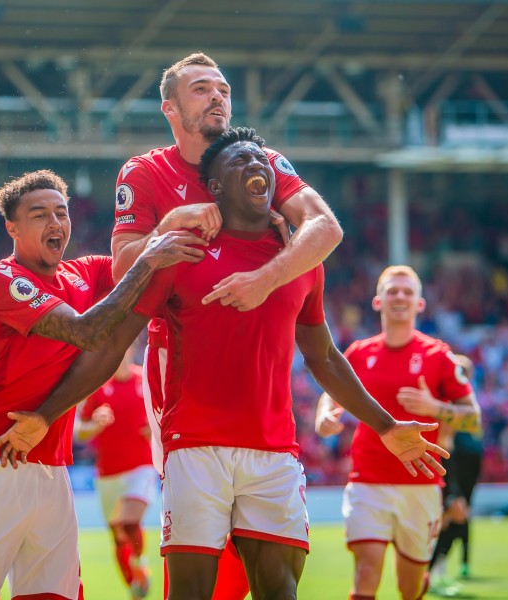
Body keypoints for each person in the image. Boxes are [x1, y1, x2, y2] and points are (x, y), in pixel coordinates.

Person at [0, 129, 449, 600]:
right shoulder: (180, 253)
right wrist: (48, 415)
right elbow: (111, 348)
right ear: (213, 188)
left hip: (275, 453)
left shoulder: (302, 261)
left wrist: (387, 426)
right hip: (195, 449)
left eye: (261, 158)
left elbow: (324, 357)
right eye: (241, 160)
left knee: (280, 591)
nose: (257, 164)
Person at [110, 51, 343, 599]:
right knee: (197, 562)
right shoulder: (146, 173)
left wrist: (268, 276)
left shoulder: (261, 158)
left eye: (223, 89)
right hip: (182, 374)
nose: (217, 96)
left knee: (260, 566)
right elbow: (121, 270)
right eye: (200, 89)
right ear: (170, 107)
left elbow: (325, 228)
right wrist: (170, 223)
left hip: (259, 368)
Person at [0, 170, 203, 600]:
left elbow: (146, 265)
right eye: (39, 214)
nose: (56, 223)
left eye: (62, 212)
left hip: (52, 467)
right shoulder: (0, 278)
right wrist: (150, 258)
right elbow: (89, 330)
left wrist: (182, 221)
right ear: (11, 227)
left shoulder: (85, 273)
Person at [315, 266, 482, 600]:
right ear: (378, 301)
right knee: (365, 575)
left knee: (409, 586)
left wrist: (434, 407)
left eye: (408, 292)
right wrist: (324, 415)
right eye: (393, 291)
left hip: (420, 485)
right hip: (367, 480)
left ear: (420, 304)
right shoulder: (360, 353)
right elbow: (329, 391)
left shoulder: (439, 356)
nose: (400, 297)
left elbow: (474, 420)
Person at [74, 341, 156, 599]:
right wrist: (95, 425)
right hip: (108, 474)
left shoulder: (145, 380)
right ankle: (134, 583)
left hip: (141, 468)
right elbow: (80, 431)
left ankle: (140, 563)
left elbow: (166, 414)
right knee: (118, 536)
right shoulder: (98, 388)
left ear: (131, 349)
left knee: (130, 521)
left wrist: (155, 428)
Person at [429, 355, 484, 596]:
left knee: (454, 516)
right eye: (462, 370)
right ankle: (430, 572)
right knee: (450, 516)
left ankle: (434, 571)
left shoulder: (461, 401)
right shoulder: (449, 401)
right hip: (448, 464)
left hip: (457, 465)